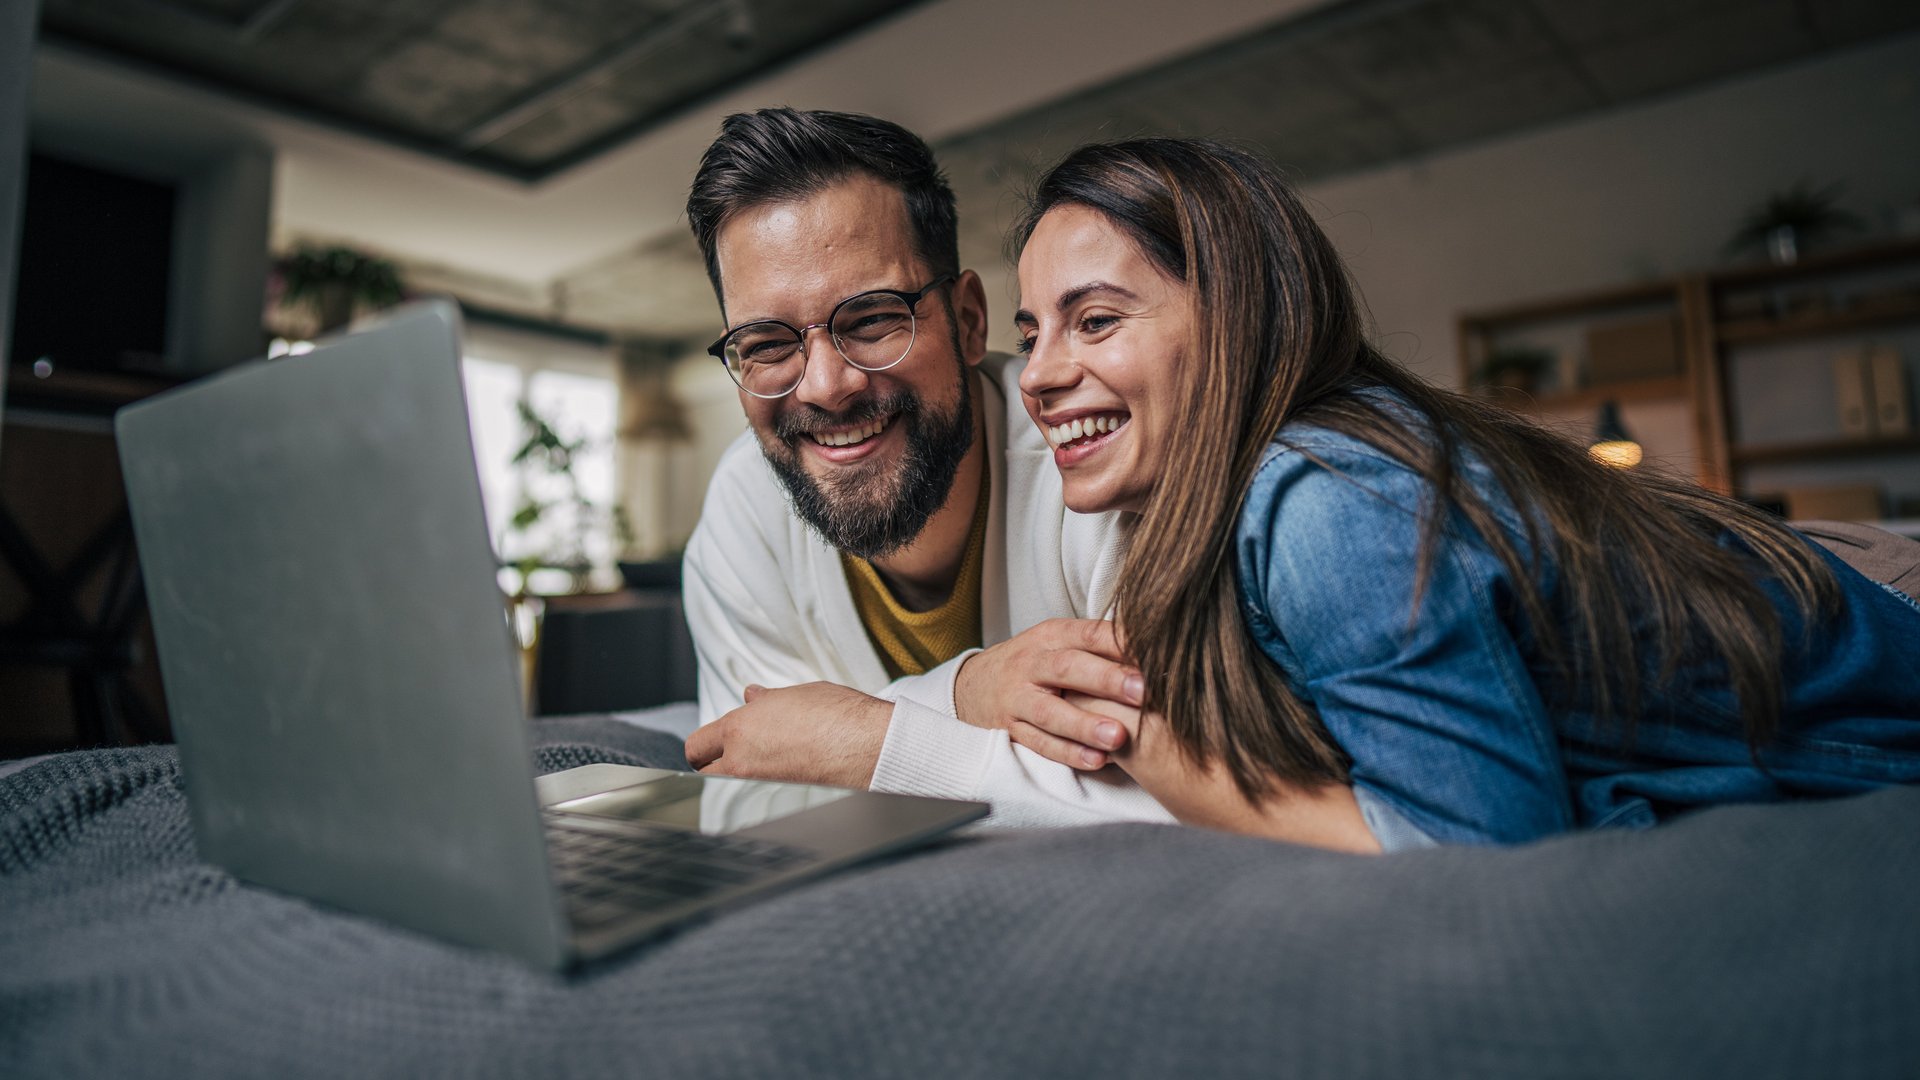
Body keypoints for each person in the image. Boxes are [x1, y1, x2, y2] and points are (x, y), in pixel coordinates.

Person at [1007, 137, 1920, 851]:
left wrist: (1166, 758)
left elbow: (1478, 848)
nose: (1038, 375)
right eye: (1031, 331)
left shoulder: (1321, 496)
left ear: (1241, 319)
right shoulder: (1274, 491)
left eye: (1094, 320)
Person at [675, 108, 1171, 826]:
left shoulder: (1099, 461)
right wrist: (966, 693)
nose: (824, 386)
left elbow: (1176, 802)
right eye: (765, 344)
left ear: (969, 319)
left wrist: (864, 741)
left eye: (873, 319)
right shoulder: (745, 503)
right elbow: (754, 780)